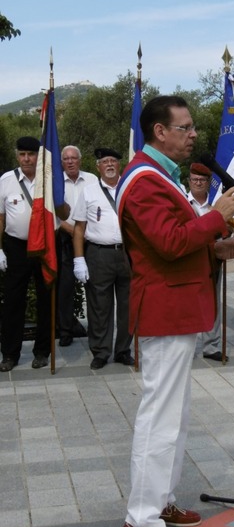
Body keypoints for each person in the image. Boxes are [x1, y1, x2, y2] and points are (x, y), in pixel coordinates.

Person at [116, 95, 234, 527]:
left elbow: (171, 244)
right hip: (164, 310)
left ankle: (163, 500)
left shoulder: (159, 177)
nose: (194, 134)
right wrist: (219, 217)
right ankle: (141, 518)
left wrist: (217, 248)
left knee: (176, 416)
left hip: (176, 307)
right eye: (186, 127)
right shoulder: (144, 182)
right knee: (160, 418)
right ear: (160, 131)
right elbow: (170, 243)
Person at [72, 148, 133, 370]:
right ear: (97, 167)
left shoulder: (130, 189)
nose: (109, 165)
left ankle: (123, 350)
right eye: (104, 162)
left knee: (128, 305)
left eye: (113, 161)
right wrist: (79, 259)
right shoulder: (88, 192)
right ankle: (100, 351)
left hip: (127, 254)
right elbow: (79, 228)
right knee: (99, 306)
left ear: (119, 165)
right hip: (99, 254)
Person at [0, 137, 51, 371]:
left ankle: (42, 351)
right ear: (17, 155)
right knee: (13, 302)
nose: (26, 159)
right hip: (16, 247)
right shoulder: (6, 181)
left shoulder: (48, 180)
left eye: (31, 154)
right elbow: (0, 218)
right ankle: (10, 354)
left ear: (38, 157)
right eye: (22, 154)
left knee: (45, 299)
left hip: (44, 247)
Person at [57, 145, 98, 347]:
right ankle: (65, 330)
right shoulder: (56, 183)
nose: (70, 161)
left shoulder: (92, 180)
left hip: (90, 239)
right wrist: (74, 232)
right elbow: (54, 215)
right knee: (65, 287)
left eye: (74, 158)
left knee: (94, 286)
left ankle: (97, 329)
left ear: (80, 160)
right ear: (61, 162)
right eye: (66, 159)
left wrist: (84, 234)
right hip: (65, 238)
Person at [187, 161, 226, 361]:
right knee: (189, 303)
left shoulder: (216, 205)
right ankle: (189, 346)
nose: (198, 183)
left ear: (208, 182)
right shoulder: (182, 203)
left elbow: (224, 231)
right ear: (189, 181)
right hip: (189, 260)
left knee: (213, 302)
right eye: (195, 179)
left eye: (202, 180)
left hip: (212, 259)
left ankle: (211, 346)